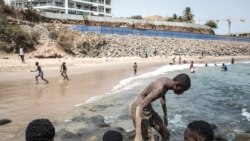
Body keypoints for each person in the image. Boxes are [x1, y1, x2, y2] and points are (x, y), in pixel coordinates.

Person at [130, 73, 191, 141]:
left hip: (148, 108)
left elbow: (162, 97)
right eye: (182, 90)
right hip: (137, 108)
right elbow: (140, 107)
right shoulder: (159, 88)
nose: (181, 93)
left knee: (166, 133)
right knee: (149, 138)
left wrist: (165, 116)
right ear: (178, 84)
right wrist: (138, 134)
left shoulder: (167, 82)